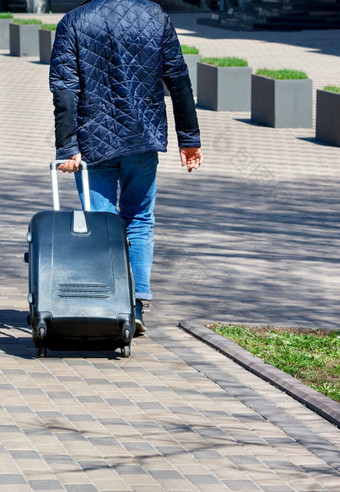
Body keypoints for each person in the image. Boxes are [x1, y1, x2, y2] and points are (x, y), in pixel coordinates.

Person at [49, 0, 203, 333]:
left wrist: (67, 146)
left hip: (94, 142)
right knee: (139, 218)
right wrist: (189, 137)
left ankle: (107, 303)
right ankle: (135, 305)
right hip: (142, 138)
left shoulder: (73, 21)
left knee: (101, 225)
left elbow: (64, 88)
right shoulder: (155, 16)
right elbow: (177, 76)